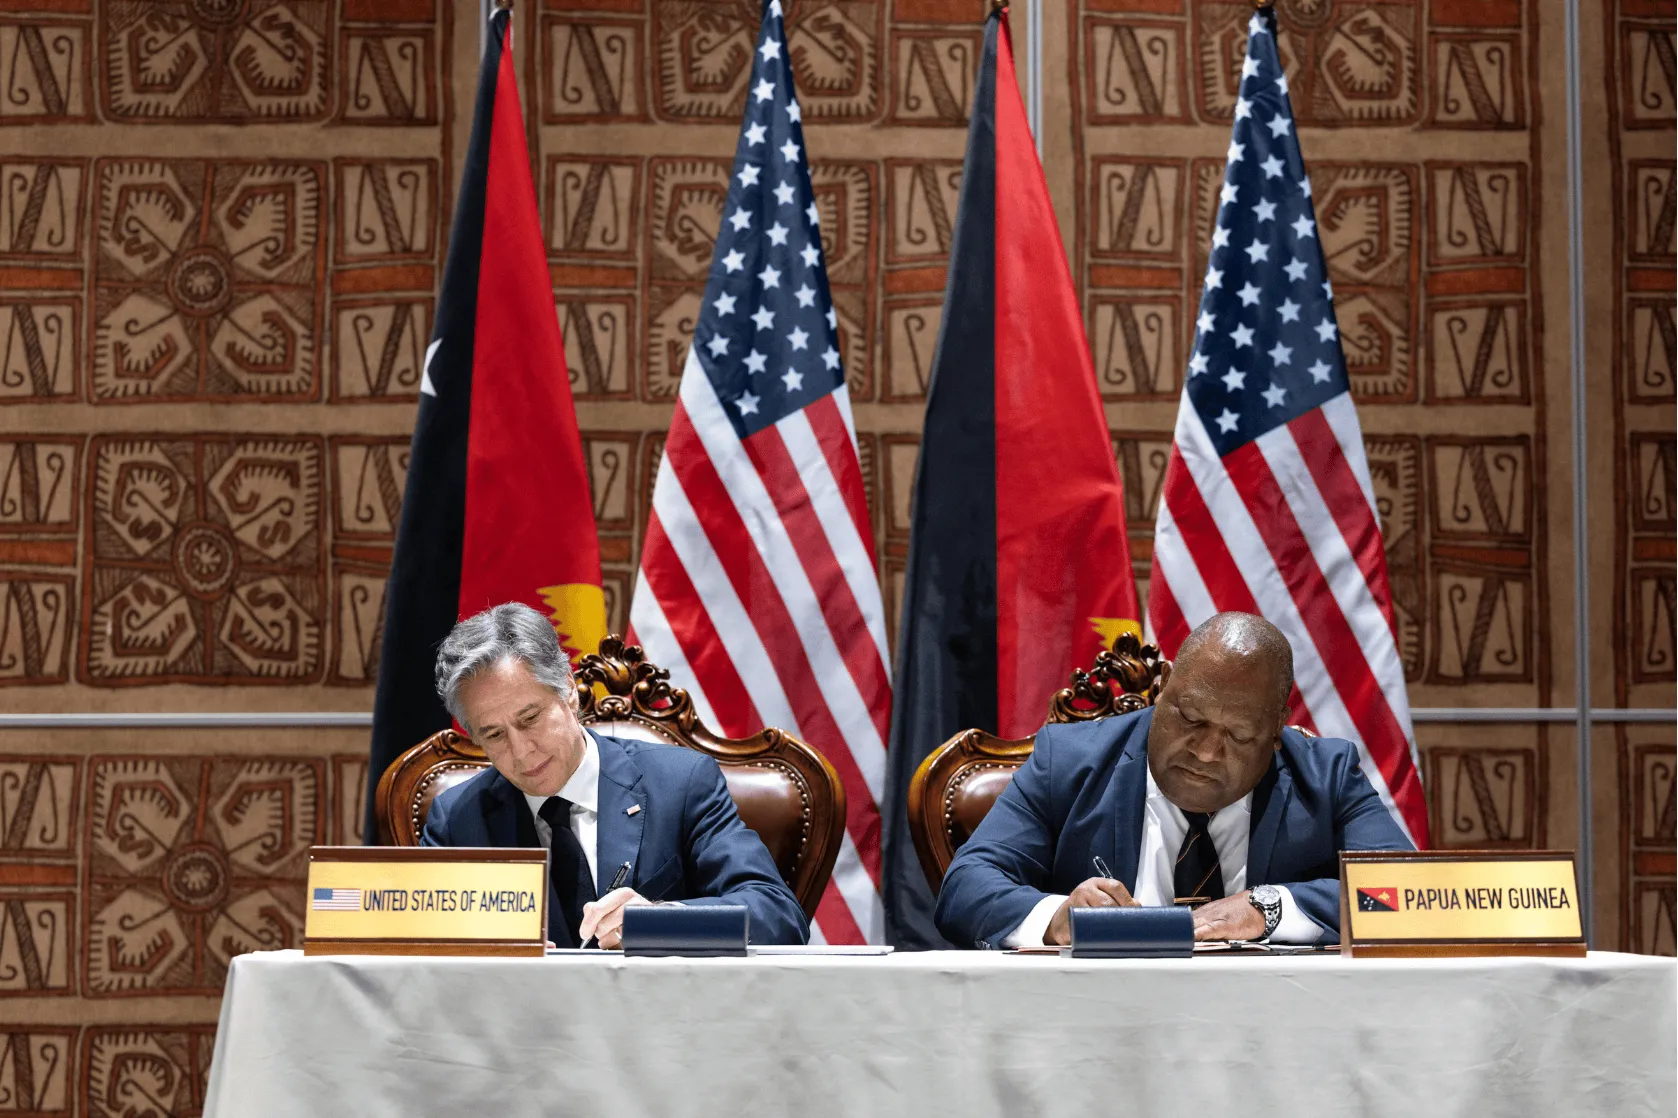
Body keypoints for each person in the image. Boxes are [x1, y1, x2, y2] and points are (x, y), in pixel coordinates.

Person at [935, 611, 1414, 949]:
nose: (1206, 751)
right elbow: (966, 888)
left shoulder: (1326, 775)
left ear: (1275, 735)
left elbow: (1405, 893)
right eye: (1190, 717)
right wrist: (1057, 918)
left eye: (1240, 735)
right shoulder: (1069, 760)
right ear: (1160, 691)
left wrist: (1271, 907)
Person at [422, 603, 808, 948]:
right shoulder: (457, 819)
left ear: (569, 693)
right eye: (494, 735)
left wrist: (662, 920)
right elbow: (418, 946)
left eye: (531, 718)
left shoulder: (682, 785)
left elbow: (778, 916)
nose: (522, 752)